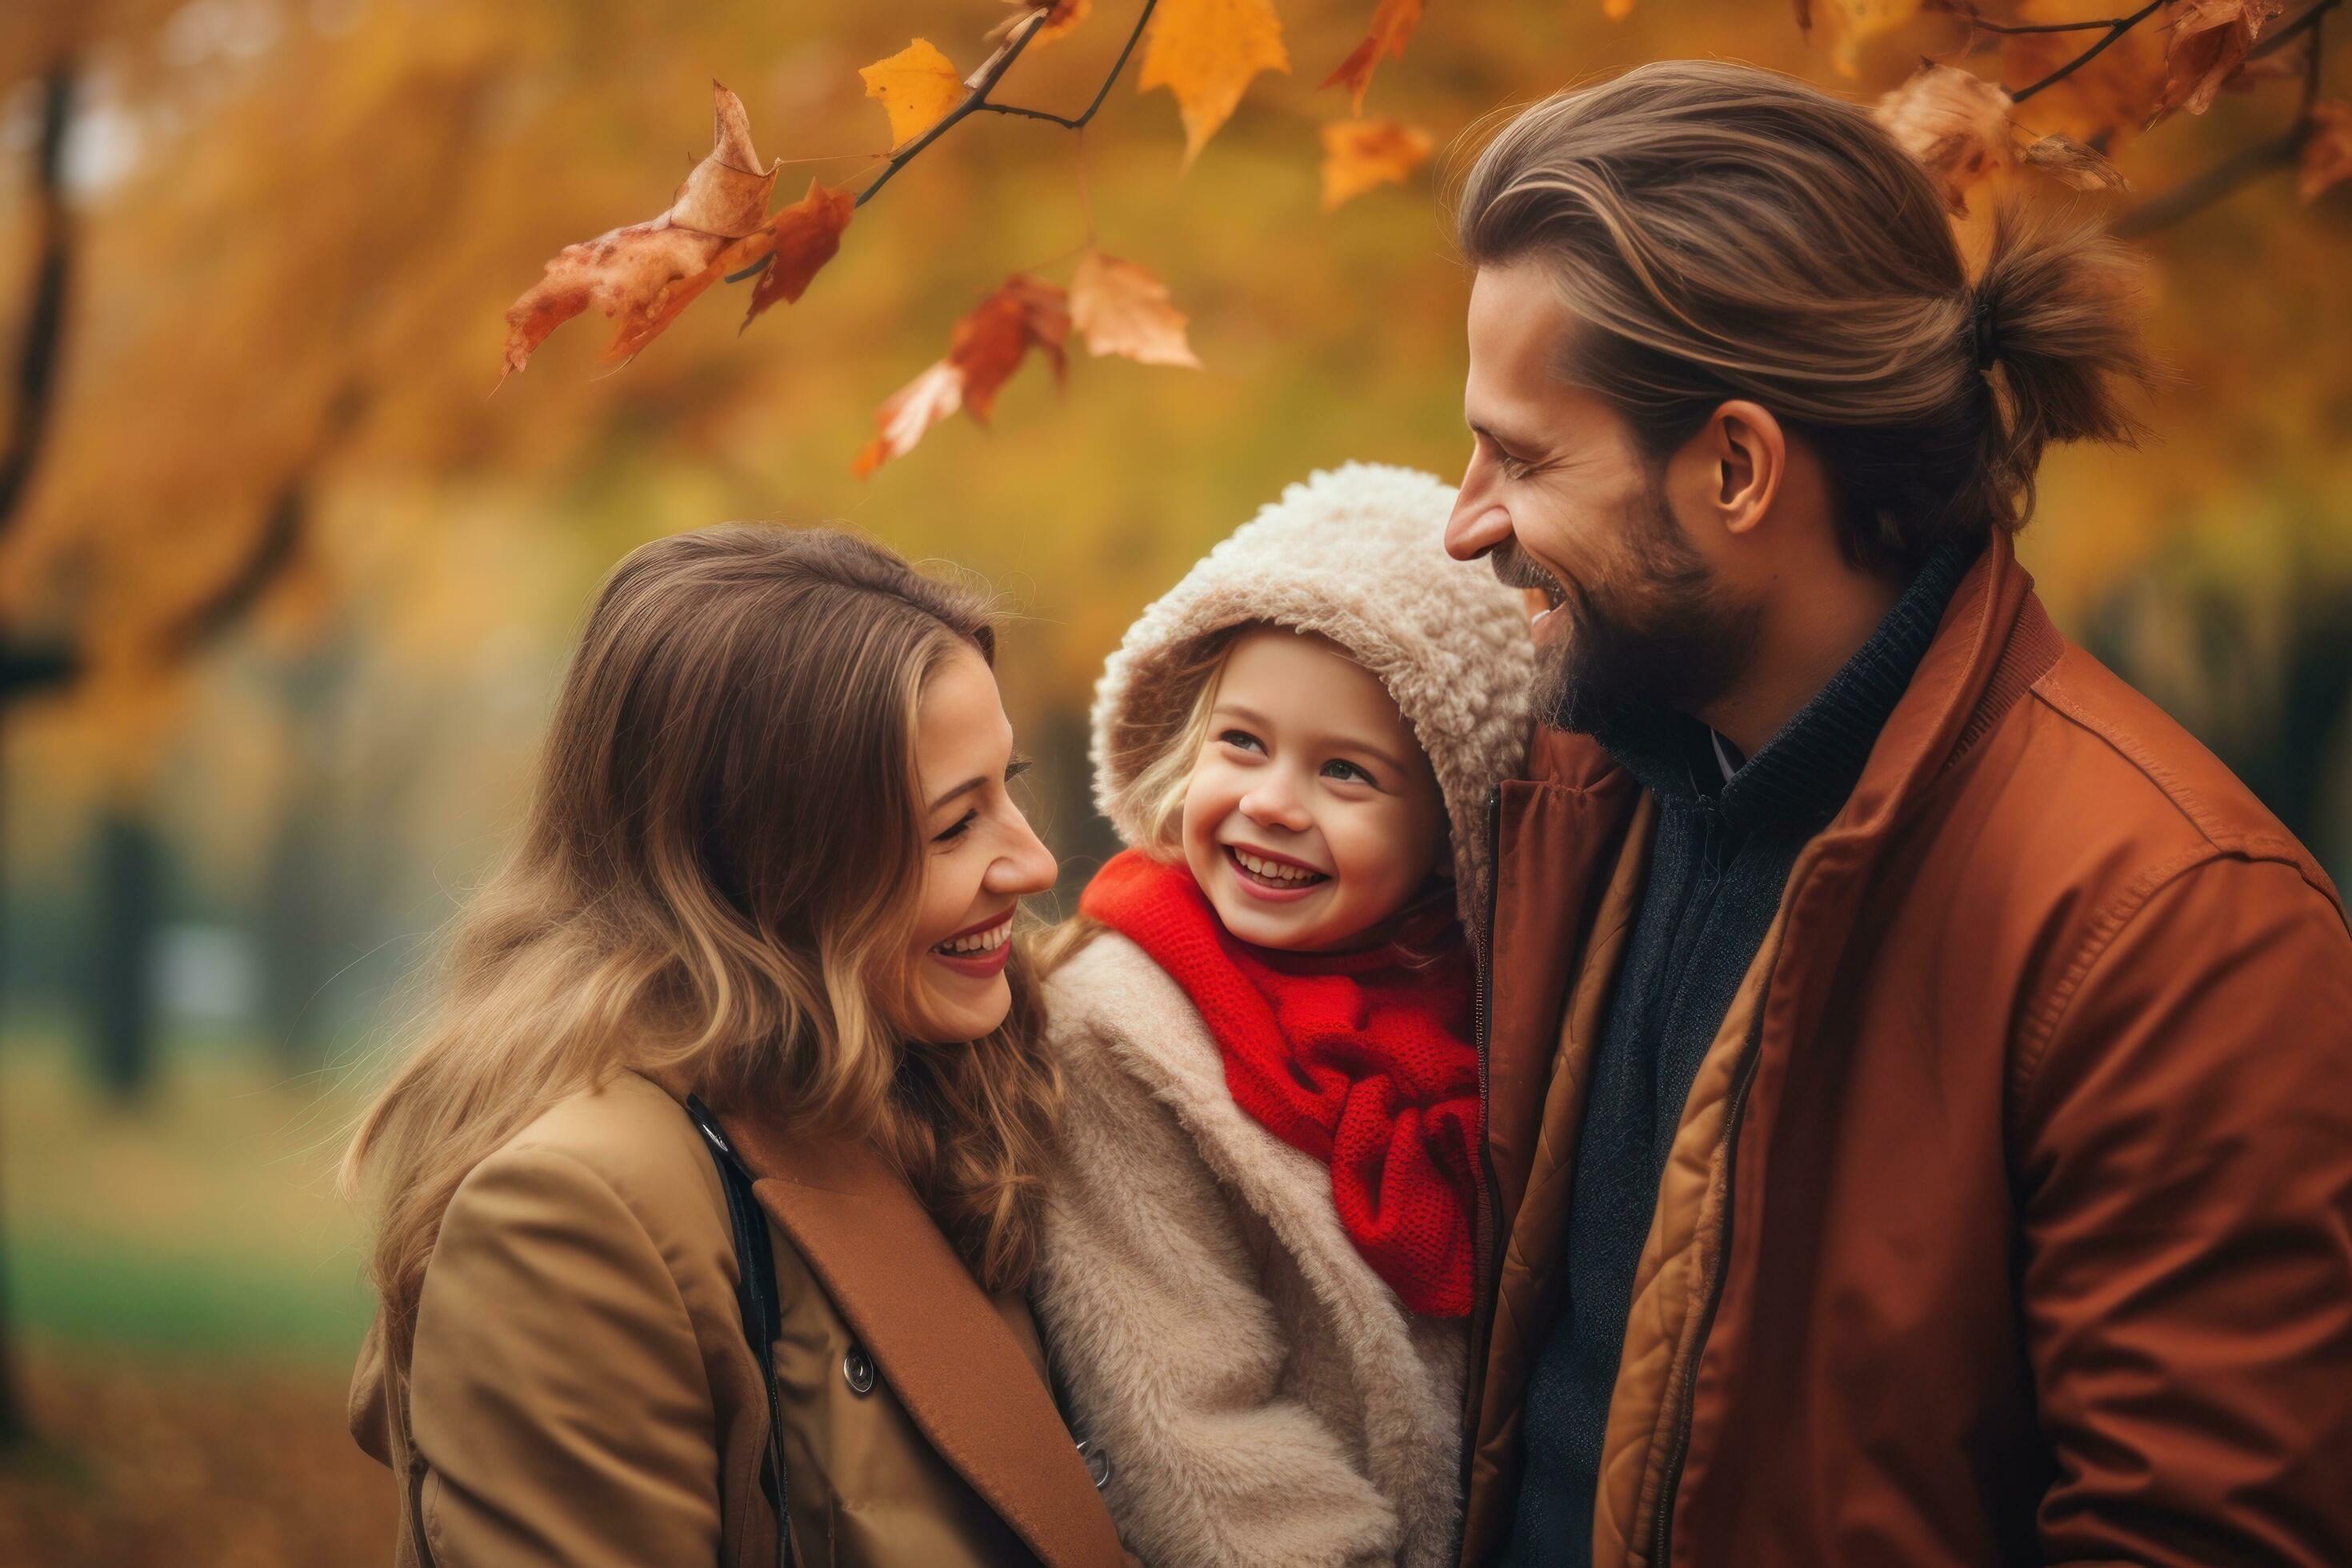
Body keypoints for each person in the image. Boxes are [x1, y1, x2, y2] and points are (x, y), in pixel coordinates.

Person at [1442, 61, 2352, 1567]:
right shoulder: (1572, 777)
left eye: (1525, 458)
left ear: (1737, 466)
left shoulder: (2174, 934)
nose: (1464, 518)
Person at [342, 525, 1124, 1567]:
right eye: (952, 827)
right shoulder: (576, 1218)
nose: (1030, 861)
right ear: (768, 872)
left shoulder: (947, 1077)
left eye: (1008, 784)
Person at [1030, 463, 1538, 1567]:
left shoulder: (1495, 1016)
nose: (1270, 801)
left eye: (1346, 773)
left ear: (1453, 826)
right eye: (1242, 743)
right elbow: (1192, 1433)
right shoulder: (1118, 1034)